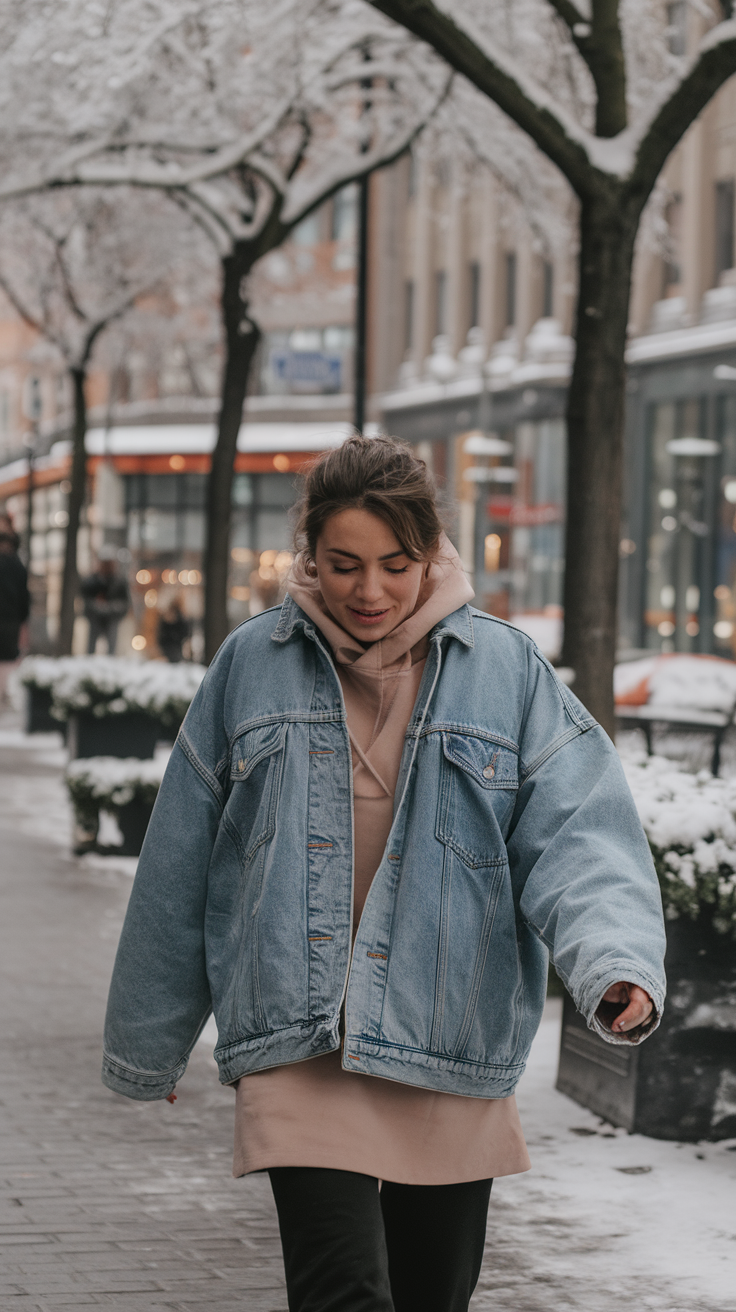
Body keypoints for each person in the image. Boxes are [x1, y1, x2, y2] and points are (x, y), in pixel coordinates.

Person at [102, 436, 666, 1312]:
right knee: (342, 1292)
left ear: (433, 550)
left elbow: (581, 835)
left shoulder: (507, 672)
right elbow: (184, 852)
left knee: (430, 1296)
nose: (369, 591)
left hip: (445, 1031)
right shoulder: (252, 664)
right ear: (309, 557)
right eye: (344, 565)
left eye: (396, 565)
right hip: (298, 1037)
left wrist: (614, 963)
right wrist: (152, 1035)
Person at [0, 517, 30, 708]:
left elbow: (23, 595)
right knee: (7, 657)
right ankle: (3, 693)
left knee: (7, 657)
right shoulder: (16, 565)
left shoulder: (16, 565)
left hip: (9, 618)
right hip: (10, 618)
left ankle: (2, 692)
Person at [80, 545, 130, 654]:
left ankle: (110, 661)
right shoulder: (91, 582)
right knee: (91, 643)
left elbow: (125, 602)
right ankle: (89, 659)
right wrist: (96, 605)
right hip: (95, 618)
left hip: (112, 618)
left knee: (112, 643)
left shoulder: (119, 583)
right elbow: (86, 599)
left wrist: (111, 607)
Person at [157, 597, 191, 663]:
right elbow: (161, 637)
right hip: (166, 650)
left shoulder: (181, 623)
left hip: (177, 650)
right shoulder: (164, 623)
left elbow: (185, 634)